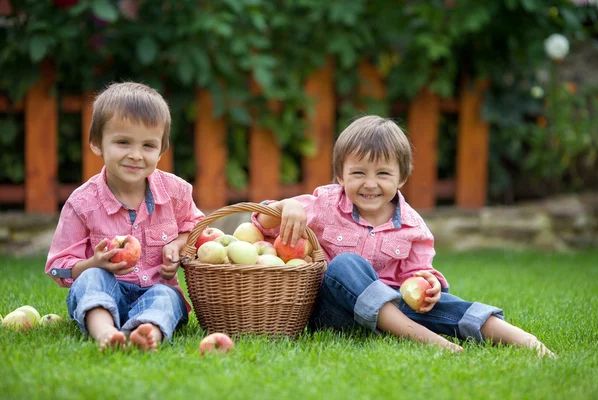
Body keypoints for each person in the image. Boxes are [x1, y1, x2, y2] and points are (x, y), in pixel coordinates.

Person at [252, 115, 555, 357]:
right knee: (345, 264)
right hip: (332, 312)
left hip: (396, 309)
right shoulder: (325, 203)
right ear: (341, 175)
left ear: (402, 178)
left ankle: (523, 339)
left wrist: (432, 284)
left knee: (445, 304)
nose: (370, 184)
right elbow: (263, 222)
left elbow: (418, 275)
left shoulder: (412, 226)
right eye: (358, 173)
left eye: (383, 174)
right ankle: (425, 338)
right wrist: (286, 206)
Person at [45, 82, 204, 352]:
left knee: (167, 296)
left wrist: (177, 245)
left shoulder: (176, 193)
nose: (135, 155)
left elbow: (200, 228)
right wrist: (94, 263)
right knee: (91, 280)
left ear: (161, 150)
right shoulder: (82, 204)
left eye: (148, 145)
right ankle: (105, 331)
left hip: (155, 289)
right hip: (106, 292)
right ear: (97, 144)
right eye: (123, 142)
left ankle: (147, 331)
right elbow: (58, 266)